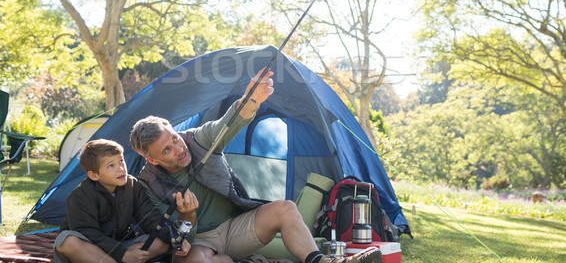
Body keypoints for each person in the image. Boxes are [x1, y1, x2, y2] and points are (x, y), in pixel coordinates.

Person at [129, 69, 382, 263]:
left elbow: (228, 122)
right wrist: (187, 217)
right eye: (166, 150)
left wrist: (252, 100)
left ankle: (321, 261)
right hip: (201, 242)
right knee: (194, 260)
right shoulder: (148, 183)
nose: (178, 149)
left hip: (235, 228)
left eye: (174, 138)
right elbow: (177, 237)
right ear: (151, 159)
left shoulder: (197, 139)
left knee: (285, 208)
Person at [54, 139, 194, 263]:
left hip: (119, 244)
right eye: (111, 166)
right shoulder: (80, 196)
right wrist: (123, 254)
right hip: (90, 249)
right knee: (67, 241)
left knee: (161, 242)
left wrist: (175, 237)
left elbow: (150, 218)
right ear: (94, 175)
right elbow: (89, 234)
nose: (121, 168)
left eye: (121, 161)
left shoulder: (132, 185)